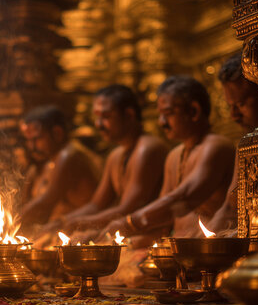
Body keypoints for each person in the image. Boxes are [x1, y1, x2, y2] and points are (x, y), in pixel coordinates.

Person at [98, 76, 235, 241]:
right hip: (179, 248)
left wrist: (129, 223)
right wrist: (128, 242)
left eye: (168, 114)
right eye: (160, 115)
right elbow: (166, 219)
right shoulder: (174, 155)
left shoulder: (216, 146)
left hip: (211, 249)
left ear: (194, 111)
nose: (162, 122)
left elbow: (183, 199)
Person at [36, 85, 169, 245]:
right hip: (127, 236)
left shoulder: (147, 148)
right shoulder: (116, 155)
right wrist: (63, 222)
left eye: (106, 116)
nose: (99, 124)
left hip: (153, 239)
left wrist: (79, 224)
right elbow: (96, 205)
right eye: (97, 117)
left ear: (129, 115)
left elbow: (129, 208)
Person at [206, 53, 258, 235]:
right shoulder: (246, 145)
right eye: (230, 106)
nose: (234, 115)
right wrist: (204, 239)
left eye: (241, 104)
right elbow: (230, 206)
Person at [18, 105, 101, 232]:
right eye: (28, 140)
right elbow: (26, 203)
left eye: (37, 139)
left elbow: (47, 200)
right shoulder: (44, 164)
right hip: (57, 233)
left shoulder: (70, 154)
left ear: (57, 133)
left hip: (81, 233)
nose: (32, 146)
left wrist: (11, 221)